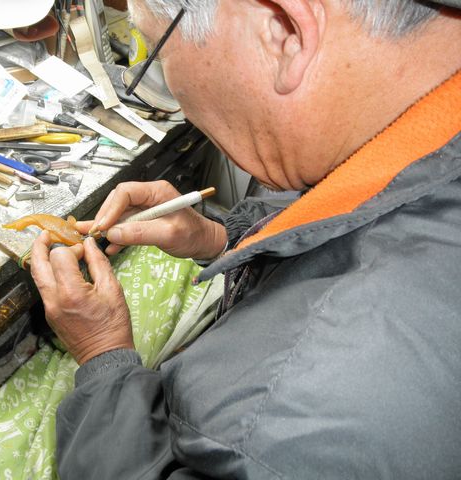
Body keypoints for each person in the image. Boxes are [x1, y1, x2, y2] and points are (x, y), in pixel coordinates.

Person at [29, 0, 461, 478]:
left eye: (154, 51)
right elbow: (355, 215)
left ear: (285, 32)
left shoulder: (275, 422)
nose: (179, 102)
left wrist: (103, 356)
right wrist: (226, 237)